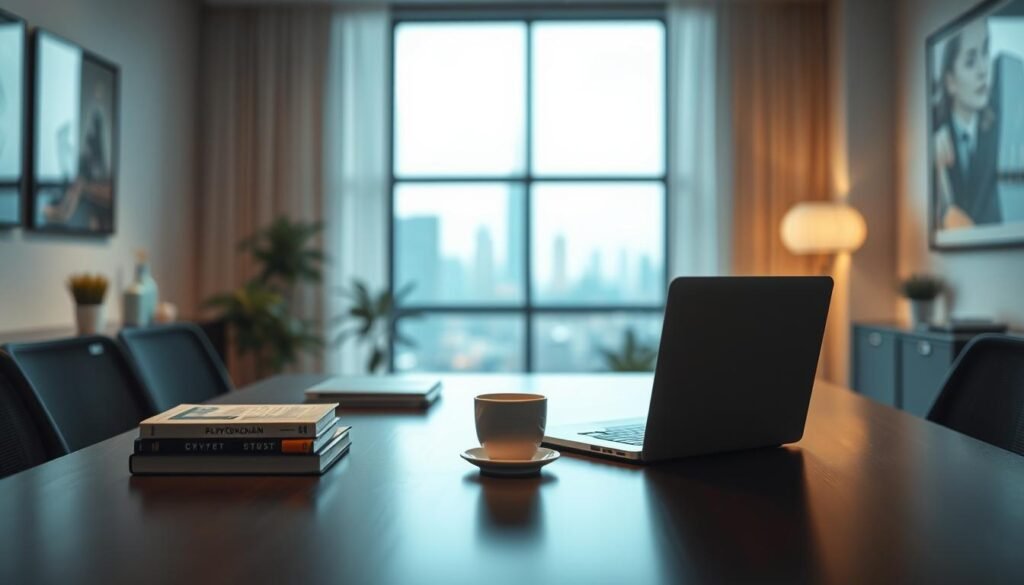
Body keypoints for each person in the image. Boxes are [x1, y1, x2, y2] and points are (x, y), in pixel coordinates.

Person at [933, 18, 1002, 229]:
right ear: (950, 82)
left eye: (985, 52)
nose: (983, 70)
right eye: (971, 61)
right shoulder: (933, 136)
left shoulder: (1000, 131)